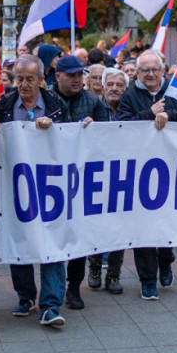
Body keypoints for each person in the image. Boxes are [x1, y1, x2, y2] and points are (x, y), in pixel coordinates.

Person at [0, 53, 71, 326]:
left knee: (52, 242)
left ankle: (50, 304)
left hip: (51, 186)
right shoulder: (2, 106)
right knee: (20, 237)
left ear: (41, 80)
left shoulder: (56, 105)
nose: (22, 85)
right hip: (16, 186)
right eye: (18, 79)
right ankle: (25, 297)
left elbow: (71, 140)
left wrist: (54, 127)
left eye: (29, 79)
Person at [118, 50, 177, 300]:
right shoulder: (129, 96)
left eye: (155, 70)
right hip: (140, 173)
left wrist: (169, 115)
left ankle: (166, 259)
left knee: (165, 224)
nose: (150, 74)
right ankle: (147, 280)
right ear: (137, 73)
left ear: (163, 71)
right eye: (145, 70)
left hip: (170, 171)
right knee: (143, 229)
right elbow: (120, 128)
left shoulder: (173, 93)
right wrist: (149, 114)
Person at [50, 56, 111, 309]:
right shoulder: (47, 100)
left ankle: (74, 287)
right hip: (52, 178)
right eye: (72, 75)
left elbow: (109, 133)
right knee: (53, 234)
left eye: (80, 75)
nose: (77, 79)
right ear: (58, 76)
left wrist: (95, 128)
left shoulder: (93, 102)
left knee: (78, 236)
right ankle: (51, 288)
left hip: (82, 179)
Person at [86, 67, 128, 293]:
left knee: (118, 227)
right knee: (96, 224)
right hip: (97, 175)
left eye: (119, 85)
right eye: (110, 84)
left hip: (123, 176)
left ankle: (114, 273)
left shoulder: (130, 110)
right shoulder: (93, 107)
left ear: (125, 88)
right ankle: (93, 265)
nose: (114, 88)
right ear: (102, 86)